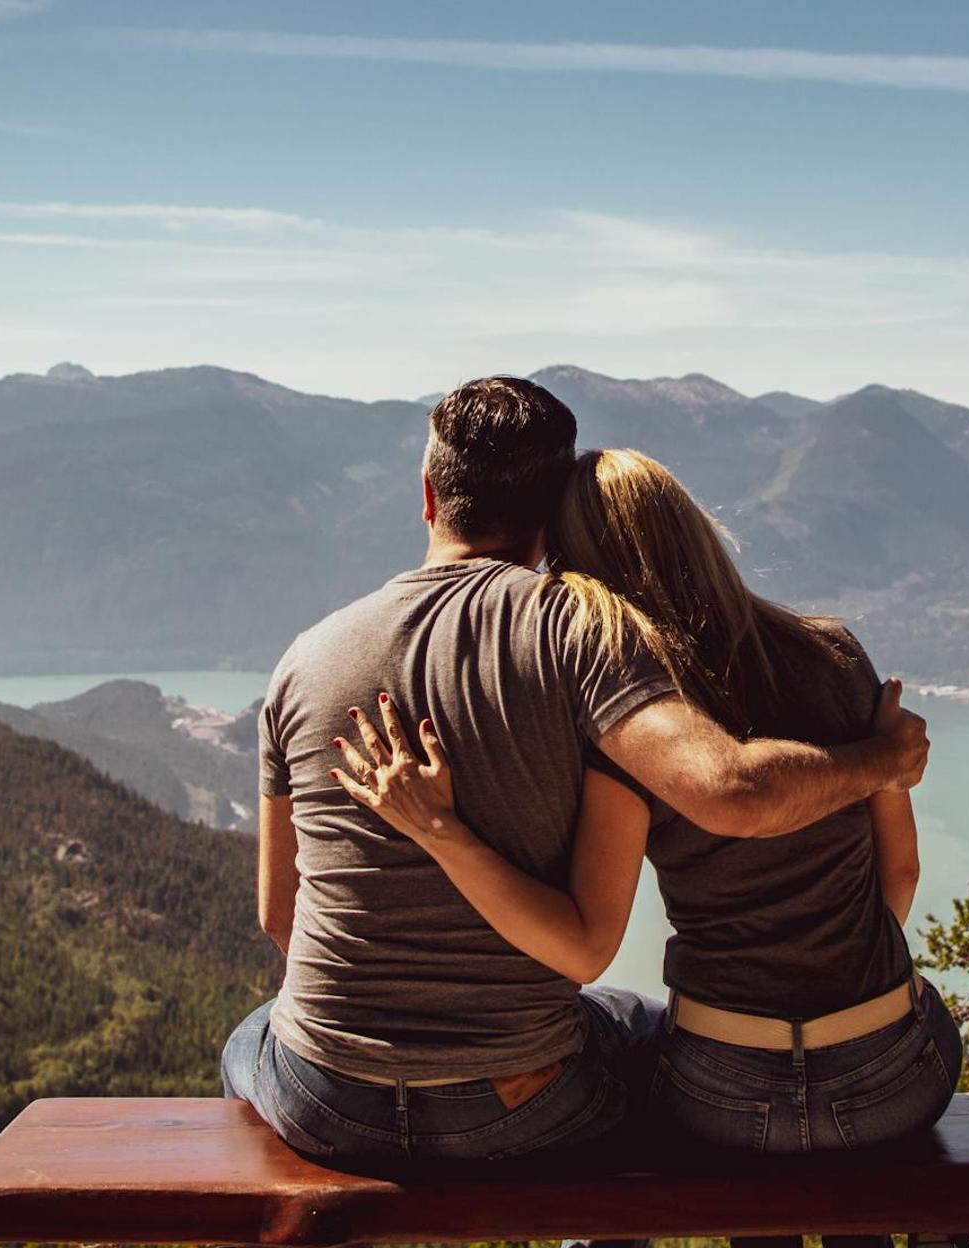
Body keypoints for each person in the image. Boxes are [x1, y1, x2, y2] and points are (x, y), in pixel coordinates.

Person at [224, 379, 930, 1174]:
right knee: (631, 1028)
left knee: (251, 1036)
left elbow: (281, 919)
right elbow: (727, 798)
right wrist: (883, 761)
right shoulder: (582, 636)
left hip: (326, 1098)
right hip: (522, 1102)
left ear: (427, 495)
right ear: (551, 511)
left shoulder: (301, 660)